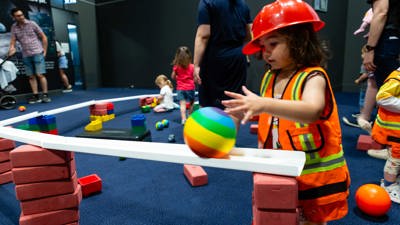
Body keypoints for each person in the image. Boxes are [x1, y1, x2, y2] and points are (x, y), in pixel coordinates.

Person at [221, 1, 350, 224]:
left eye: (273, 43)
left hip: (314, 178)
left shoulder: (313, 77)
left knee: (310, 220)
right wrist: (236, 115)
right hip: (278, 169)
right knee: (274, 214)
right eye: (262, 46)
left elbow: (312, 110)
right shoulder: (270, 77)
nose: (266, 52)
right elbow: (269, 114)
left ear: (300, 42)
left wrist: (262, 104)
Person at [193, 0, 252, 110]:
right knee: (235, 101)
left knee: (208, 104)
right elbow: (249, 35)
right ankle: (231, 128)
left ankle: (210, 127)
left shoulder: (207, 2)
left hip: (215, 59)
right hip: (237, 58)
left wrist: (196, 65)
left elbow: (203, 36)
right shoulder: (243, 5)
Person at [357, 0, 400, 132]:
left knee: (388, 92)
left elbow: (381, 12)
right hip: (395, 37)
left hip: (390, 38)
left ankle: (390, 145)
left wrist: (370, 49)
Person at [7, 8, 51, 104]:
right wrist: (11, 48)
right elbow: (13, 41)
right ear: (13, 17)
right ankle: (35, 96)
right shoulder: (14, 27)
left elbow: (44, 37)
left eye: (22, 14)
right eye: (18, 16)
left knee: (40, 75)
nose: (21, 17)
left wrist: (45, 51)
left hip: (37, 52)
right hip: (26, 54)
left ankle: (45, 95)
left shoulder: (32, 24)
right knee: (31, 76)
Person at [370, 67, 400, 203]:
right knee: (396, 159)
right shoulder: (397, 79)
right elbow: (382, 98)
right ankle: (389, 186)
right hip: (394, 132)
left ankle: (394, 180)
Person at [342, 45, 373, 128]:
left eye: (362, 53)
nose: (361, 55)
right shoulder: (370, 64)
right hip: (367, 86)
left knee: (363, 101)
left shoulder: (365, 65)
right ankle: (364, 114)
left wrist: (358, 80)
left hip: (366, 87)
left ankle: (363, 116)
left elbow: (365, 74)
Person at [171, 46, 195, 125]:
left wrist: (178, 77)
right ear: (189, 56)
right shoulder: (192, 66)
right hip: (190, 87)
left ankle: (184, 119)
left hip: (180, 88)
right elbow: (194, 77)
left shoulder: (176, 67)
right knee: (191, 103)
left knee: (182, 104)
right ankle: (190, 116)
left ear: (177, 56)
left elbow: (173, 77)